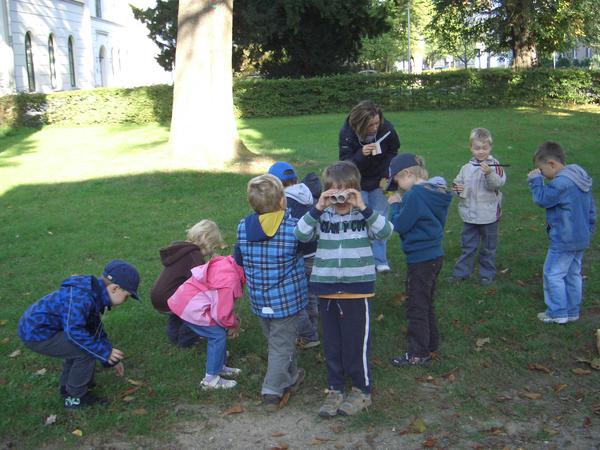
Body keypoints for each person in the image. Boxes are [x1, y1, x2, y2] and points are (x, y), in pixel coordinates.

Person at [295, 161, 393, 418]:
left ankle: (362, 389)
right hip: (326, 288)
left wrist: (362, 206)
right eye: (334, 192)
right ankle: (335, 388)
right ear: (326, 192)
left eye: (346, 192)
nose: (340, 198)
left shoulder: (362, 216)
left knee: (355, 343)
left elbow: (385, 232)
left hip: (356, 289)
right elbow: (301, 234)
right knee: (332, 344)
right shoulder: (322, 216)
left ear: (356, 192)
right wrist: (318, 207)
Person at [17, 260, 141, 409]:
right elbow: (75, 332)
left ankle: (67, 387)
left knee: (83, 346)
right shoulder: (82, 297)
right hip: (37, 333)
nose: (125, 300)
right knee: (85, 351)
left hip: (47, 330)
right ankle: (76, 397)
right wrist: (101, 352)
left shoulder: (95, 295)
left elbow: (95, 329)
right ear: (114, 288)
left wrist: (108, 357)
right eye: (126, 296)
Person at [234, 174, 308, 411]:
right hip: (286, 301)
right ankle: (272, 391)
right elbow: (308, 249)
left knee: (278, 342)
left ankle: (292, 375)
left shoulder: (243, 227)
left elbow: (239, 258)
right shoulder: (292, 228)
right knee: (280, 345)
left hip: (259, 299)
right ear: (282, 201)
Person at [386, 154, 452, 367]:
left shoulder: (414, 195)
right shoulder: (435, 191)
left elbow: (401, 225)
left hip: (420, 258)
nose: (398, 187)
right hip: (435, 254)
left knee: (416, 305)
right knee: (426, 301)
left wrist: (395, 205)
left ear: (407, 174)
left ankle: (418, 353)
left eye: (397, 181)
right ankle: (431, 343)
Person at [527, 141, 596, 324]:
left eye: (541, 170)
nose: (542, 173)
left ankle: (557, 313)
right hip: (581, 236)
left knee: (553, 273)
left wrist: (535, 181)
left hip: (564, 238)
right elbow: (591, 207)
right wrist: (590, 227)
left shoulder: (561, 184)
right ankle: (572, 311)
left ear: (551, 164)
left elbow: (542, 199)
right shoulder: (579, 177)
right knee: (573, 273)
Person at [339, 100, 400, 273]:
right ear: (360, 123)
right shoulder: (347, 133)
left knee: (379, 218)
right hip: (358, 182)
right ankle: (361, 258)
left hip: (380, 180)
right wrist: (361, 154)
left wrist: (385, 174)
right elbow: (344, 163)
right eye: (370, 124)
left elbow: (393, 150)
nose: (375, 127)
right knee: (360, 219)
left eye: (377, 122)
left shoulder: (387, 129)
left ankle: (380, 260)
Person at [167, 255, 244, 389]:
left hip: (184, 299)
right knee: (217, 335)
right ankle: (211, 379)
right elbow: (221, 315)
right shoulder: (230, 280)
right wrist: (234, 324)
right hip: (191, 308)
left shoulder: (227, 264)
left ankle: (219, 366)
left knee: (219, 331)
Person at [268, 161, 321, 350]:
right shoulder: (309, 195)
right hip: (316, 251)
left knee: (300, 296)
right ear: (296, 179)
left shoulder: (283, 202)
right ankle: (313, 324)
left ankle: (309, 333)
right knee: (312, 292)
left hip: (298, 255)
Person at [150, 220, 225, 348]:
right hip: (168, 298)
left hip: (159, 295)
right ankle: (187, 340)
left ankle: (174, 335)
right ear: (207, 243)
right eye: (213, 247)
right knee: (198, 306)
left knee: (179, 309)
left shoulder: (181, 249)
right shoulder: (194, 256)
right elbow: (202, 283)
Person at [449, 128, 506, 285]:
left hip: (488, 216)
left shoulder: (495, 166)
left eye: (484, 148)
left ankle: (486, 274)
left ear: (490, 147)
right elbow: (457, 183)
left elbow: (497, 184)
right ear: (471, 148)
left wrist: (489, 173)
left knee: (488, 248)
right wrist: (457, 189)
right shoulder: (466, 168)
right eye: (477, 148)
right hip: (469, 215)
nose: (481, 151)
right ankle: (461, 273)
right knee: (468, 246)